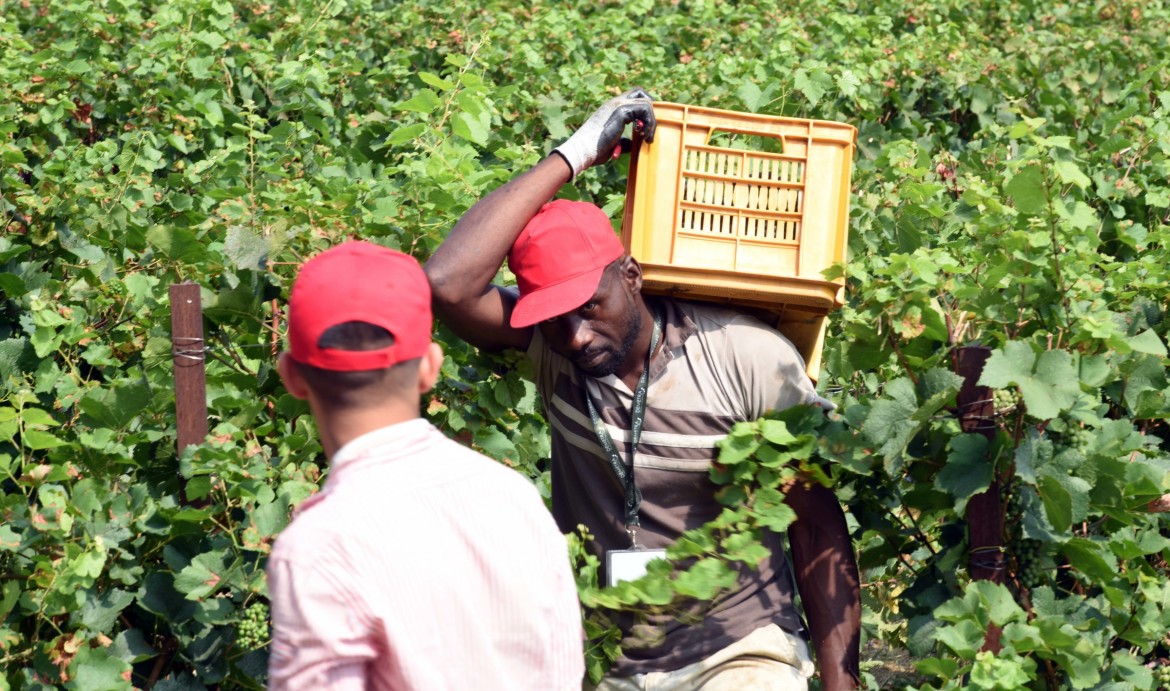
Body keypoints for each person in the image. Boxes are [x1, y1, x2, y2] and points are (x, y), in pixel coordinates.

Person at [424, 89, 861, 690]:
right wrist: (573, 155)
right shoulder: (551, 355)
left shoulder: (744, 357)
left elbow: (814, 524)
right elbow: (446, 283)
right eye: (552, 318)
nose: (575, 337)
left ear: (630, 275)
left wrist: (842, 683)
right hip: (606, 662)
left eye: (589, 306)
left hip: (738, 653)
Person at [266, 241, 584, 690]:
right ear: (429, 368)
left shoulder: (320, 547)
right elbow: (564, 670)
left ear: (292, 376)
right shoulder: (512, 497)